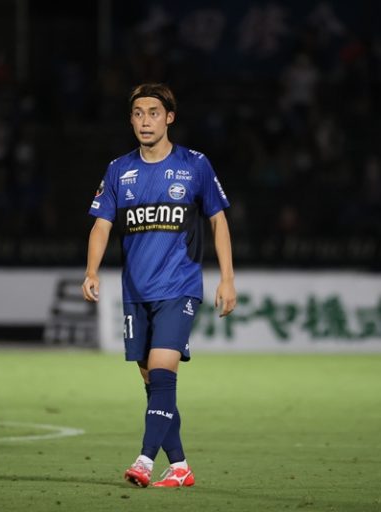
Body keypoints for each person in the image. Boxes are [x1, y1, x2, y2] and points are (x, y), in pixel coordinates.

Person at [82, 83, 236, 488]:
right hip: (136, 293)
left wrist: (227, 278)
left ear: (169, 117)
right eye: (138, 113)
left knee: (164, 374)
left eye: (153, 113)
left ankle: (144, 461)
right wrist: (92, 270)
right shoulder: (119, 170)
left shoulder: (195, 165)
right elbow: (101, 225)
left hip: (179, 287)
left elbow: (218, 220)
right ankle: (180, 466)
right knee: (154, 384)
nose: (145, 121)